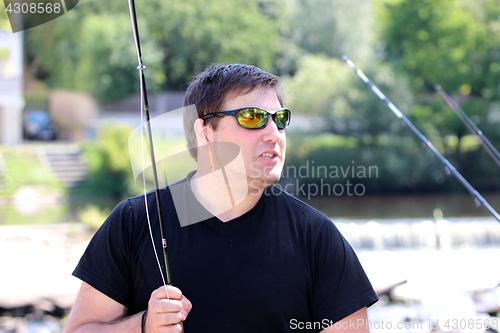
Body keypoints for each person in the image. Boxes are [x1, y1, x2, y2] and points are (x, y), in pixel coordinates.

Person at [63, 63, 378, 333]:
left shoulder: (316, 236)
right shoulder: (134, 222)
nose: (274, 133)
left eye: (280, 119)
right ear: (205, 132)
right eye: (253, 117)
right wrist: (144, 325)